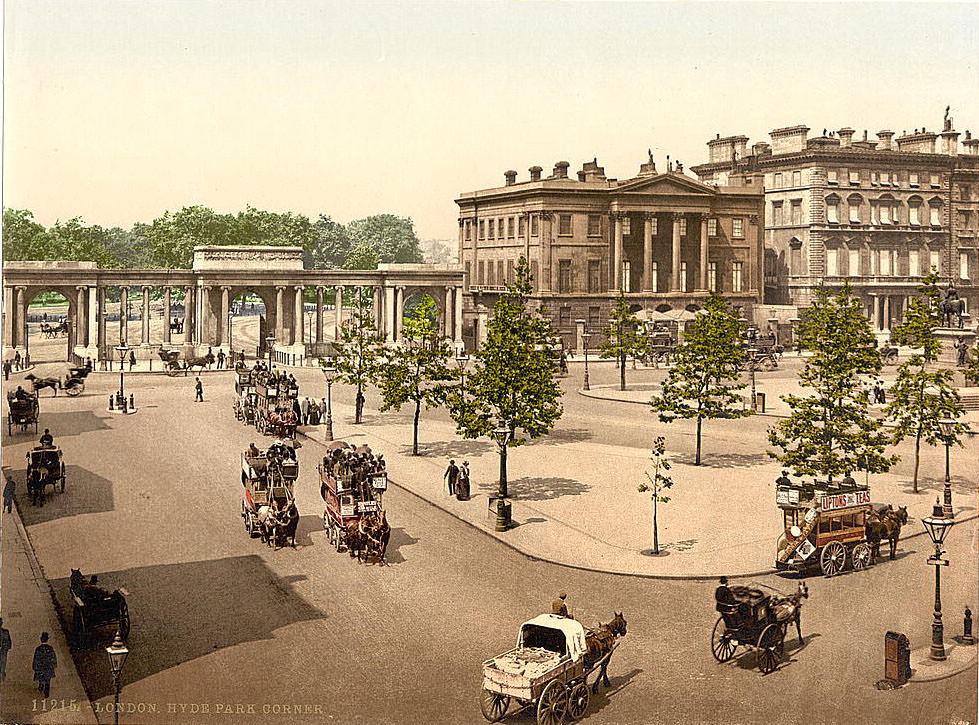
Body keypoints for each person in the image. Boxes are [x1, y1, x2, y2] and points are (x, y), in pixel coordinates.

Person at [32, 632, 56, 697]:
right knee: (48, 680)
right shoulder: (50, 648)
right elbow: (53, 657)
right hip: (48, 668)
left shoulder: (38, 649)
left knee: (41, 677)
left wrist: (34, 667)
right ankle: (46, 692)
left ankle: (41, 686)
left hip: (41, 667)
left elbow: (36, 659)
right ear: (47, 640)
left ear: (41, 640)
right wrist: (54, 665)